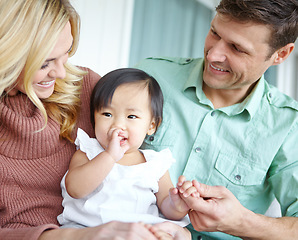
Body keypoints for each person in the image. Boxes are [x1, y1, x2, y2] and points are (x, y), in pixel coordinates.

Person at [0, 1, 191, 239]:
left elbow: (166, 206)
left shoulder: (87, 87)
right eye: (45, 63)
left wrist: (178, 219)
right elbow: (77, 187)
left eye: (67, 53)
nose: (61, 73)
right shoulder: (91, 150)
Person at [135, 0, 298, 239]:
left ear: (280, 54)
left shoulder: (288, 125)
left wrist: (240, 222)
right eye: (214, 33)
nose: (213, 54)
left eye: (236, 48)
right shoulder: (150, 77)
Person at [57, 68, 192, 238]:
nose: (118, 124)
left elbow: (167, 207)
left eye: (131, 117)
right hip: (87, 230)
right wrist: (110, 156)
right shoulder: (88, 152)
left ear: (151, 126)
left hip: (140, 232)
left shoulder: (155, 164)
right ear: (94, 118)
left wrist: (178, 204)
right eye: (107, 114)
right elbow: (75, 189)